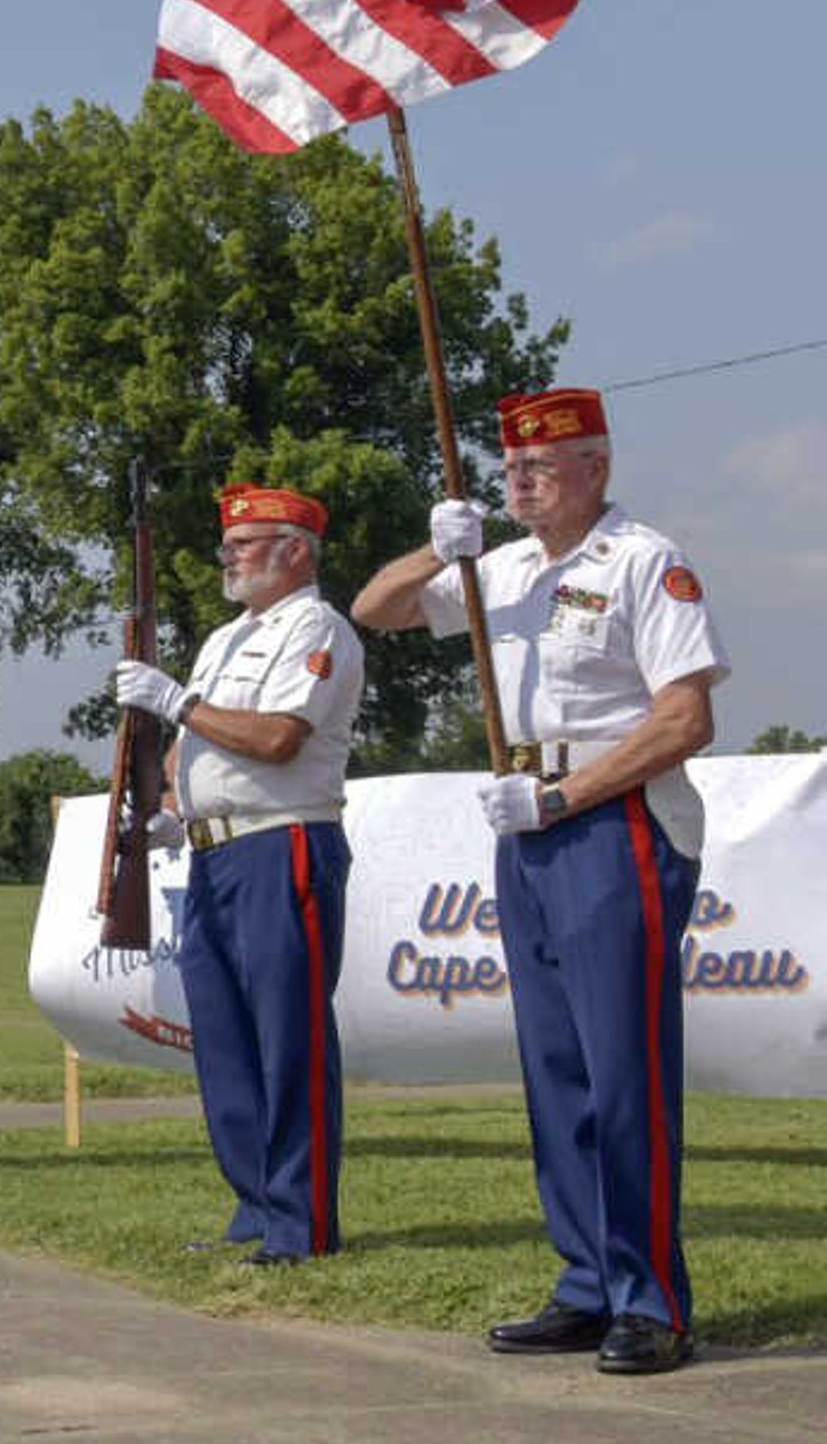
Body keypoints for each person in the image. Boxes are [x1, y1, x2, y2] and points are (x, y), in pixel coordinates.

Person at [351, 388, 730, 1375]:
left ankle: (651, 1298)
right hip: (523, 818)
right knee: (556, 1068)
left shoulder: (645, 560)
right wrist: (441, 548)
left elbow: (685, 718)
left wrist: (564, 799)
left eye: (540, 466)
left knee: (623, 1066)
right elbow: (374, 609)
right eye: (510, 466)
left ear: (595, 467)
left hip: (614, 818)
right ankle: (585, 1281)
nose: (517, 479)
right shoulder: (503, 565)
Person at [108, 486, 363, 1262]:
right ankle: (255, 1205)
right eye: (230, 543)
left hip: (280, 844)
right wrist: (166, 806)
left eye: (246, 544)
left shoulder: (317, 628)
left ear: (295, 552)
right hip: (212, 852)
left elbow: (279, 736)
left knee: (289, 1040)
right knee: (224, 1041)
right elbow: (199, 748)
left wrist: (176, 702)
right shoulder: (226, 639)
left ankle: (302, 1221)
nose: (229, 555)